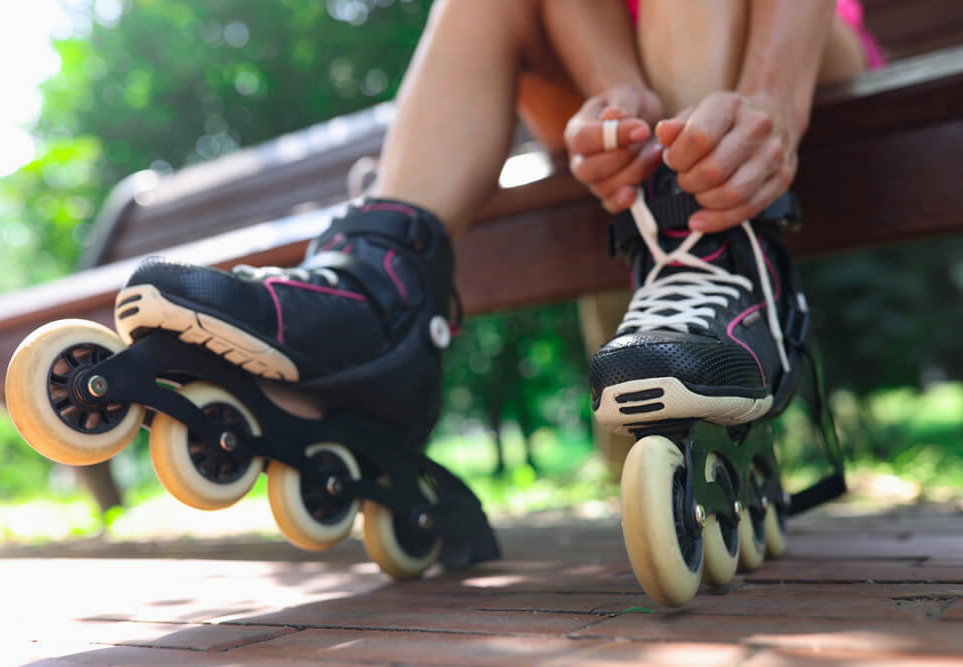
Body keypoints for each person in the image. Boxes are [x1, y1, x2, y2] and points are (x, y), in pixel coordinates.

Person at [118, 0, 881, 459]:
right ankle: (376, 297)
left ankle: (716, 262)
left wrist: (773, 103)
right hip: (612, 69)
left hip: (791, 51)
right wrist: (618, 93)